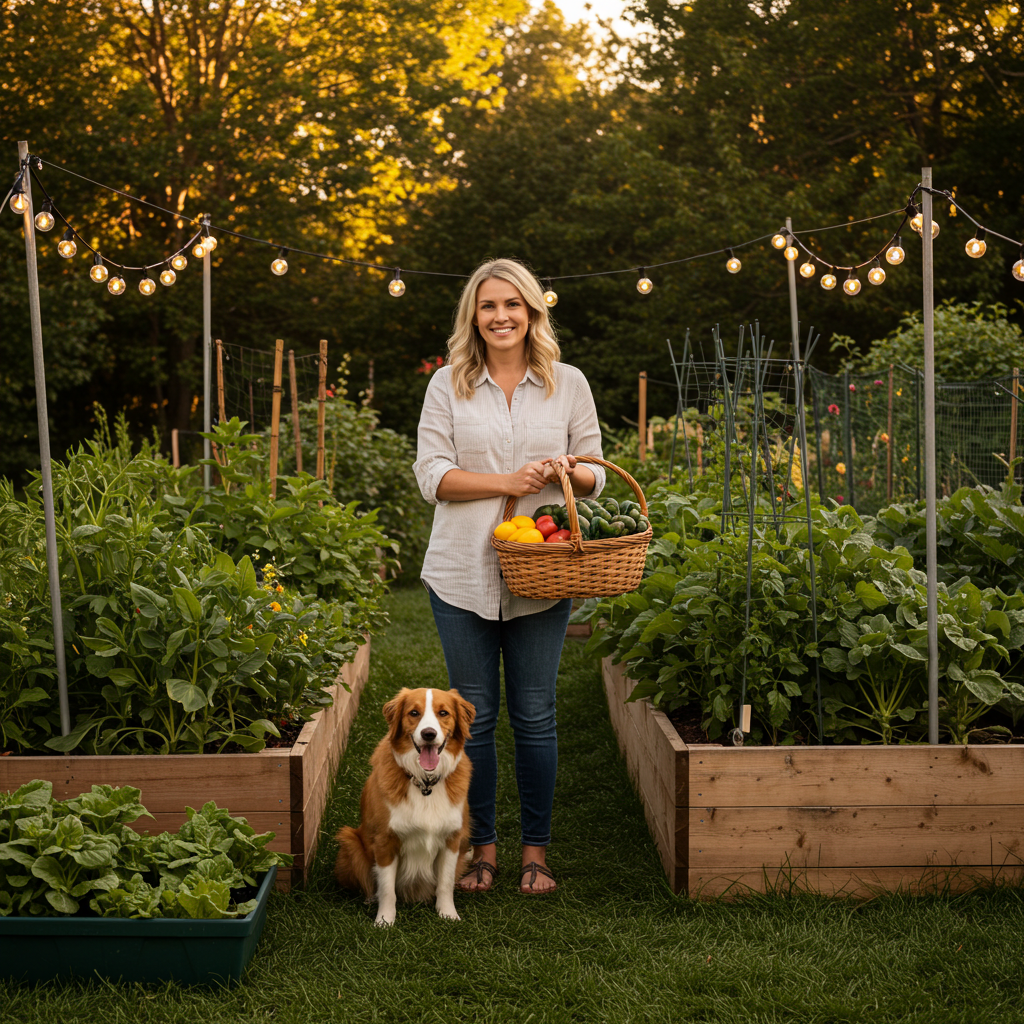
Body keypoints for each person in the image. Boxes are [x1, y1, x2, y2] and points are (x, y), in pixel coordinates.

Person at [413, 257, 606, 895]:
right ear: (474, 314)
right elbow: (431, 476)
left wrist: (565, 470)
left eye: (512, 306)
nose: (501, 317)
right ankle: (483, 848)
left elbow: (597, 473)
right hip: (460, 572)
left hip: (542, 572)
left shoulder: (567, 383)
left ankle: (536, 852)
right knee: (478, 718)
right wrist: (509, 481)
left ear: (532, 313)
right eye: (489, 306)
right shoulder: (448, 385)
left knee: (536, 713)